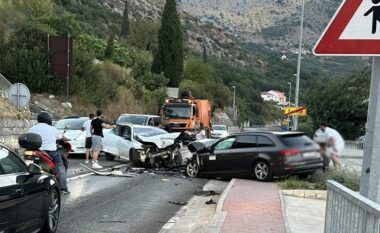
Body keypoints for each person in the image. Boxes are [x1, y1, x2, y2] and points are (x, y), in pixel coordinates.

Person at [30, 111, 70, 193]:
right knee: (61, 168)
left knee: (36, 165)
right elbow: (61, 137)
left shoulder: (32, 128)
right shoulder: (52, 128)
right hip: (52, 153)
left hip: (38, 152)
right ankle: (63, 188)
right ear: (48, 119)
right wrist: (67, 139)